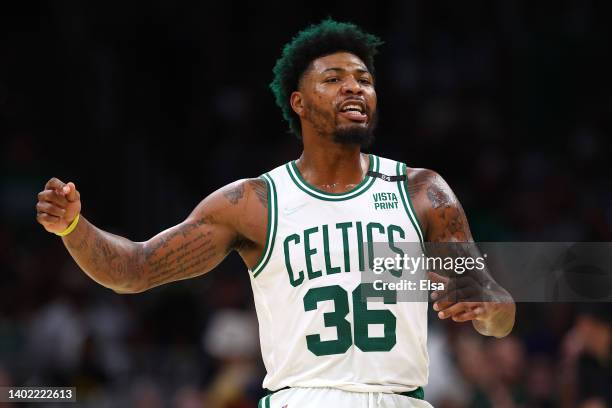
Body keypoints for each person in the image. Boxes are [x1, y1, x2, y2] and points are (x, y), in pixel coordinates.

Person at [36, 19, 515, 408]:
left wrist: (490, 309)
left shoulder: (421, 190)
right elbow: (135, 269)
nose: (355, 88)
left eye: (364, 80)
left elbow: (496, 310)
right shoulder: (252, 203)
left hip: (401, 399)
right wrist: (74, 227)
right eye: (334, 80)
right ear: (299, 103)